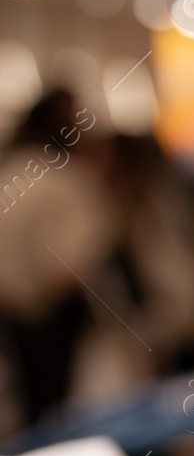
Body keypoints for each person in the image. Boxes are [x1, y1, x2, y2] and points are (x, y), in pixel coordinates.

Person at [0, 90, 115, 426]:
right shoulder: (66, 181)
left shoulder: (10, 171)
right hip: (51, 316)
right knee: (53, 410)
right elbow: (67, 268)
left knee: (24, 404)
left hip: (12, 311)